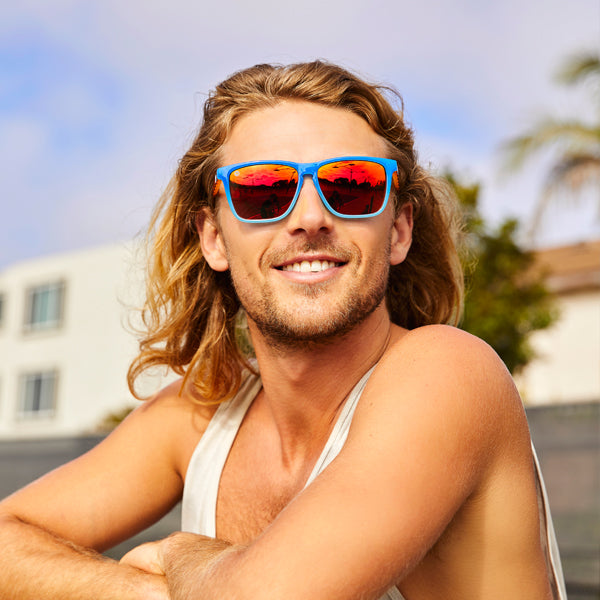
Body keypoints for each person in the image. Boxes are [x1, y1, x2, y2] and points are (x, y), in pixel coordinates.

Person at [0, 61, 567, 600]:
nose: (309, 217)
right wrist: (148, 591)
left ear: (397, 229)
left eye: (351, 186)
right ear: (214, 238)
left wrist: (180, 556)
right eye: (263, 191)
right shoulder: (199, 417)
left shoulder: (448, 374)